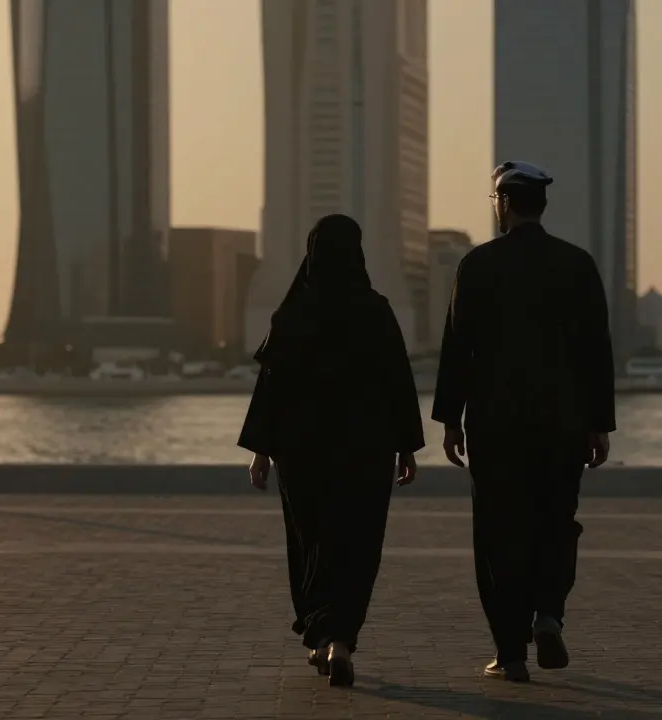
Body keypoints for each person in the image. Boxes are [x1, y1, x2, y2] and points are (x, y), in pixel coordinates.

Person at [432, 161, 616, 683]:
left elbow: (457, 348)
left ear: (505, 203)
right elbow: (596, 351)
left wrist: (449, 419)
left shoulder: (478, 265)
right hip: (563, 422)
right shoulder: (577, 265)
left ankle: (510, 652)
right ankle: (549, 613)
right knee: (557, 521)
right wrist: (598, 422)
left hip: (495, 425)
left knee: (499, 532)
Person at [238, 213, 425, 688]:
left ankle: (323, 637)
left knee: (312, 541)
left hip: (302, 451)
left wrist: (260, 451)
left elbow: (270, 387)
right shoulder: (376, 310)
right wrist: (407, 447)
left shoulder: (293, 313)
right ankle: (340, 638)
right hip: (367, 449)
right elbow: (399, 384)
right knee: (358, 543)